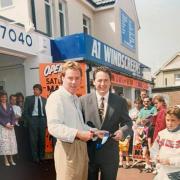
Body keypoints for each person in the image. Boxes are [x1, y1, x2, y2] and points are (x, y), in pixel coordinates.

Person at [46, 61, 104, 180]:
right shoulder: (56, 97)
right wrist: (78, 134)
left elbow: (80, 125)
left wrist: (95, 131)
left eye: (77, 78)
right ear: (62, 77)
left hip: (81, 148)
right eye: (70, 78)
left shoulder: (75, 98)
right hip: (67, 149)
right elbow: (54, 127)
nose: (74, 82)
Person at [80, 66, 133, 180]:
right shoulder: (83, 101)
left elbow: (128, 123)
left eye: (106, 80)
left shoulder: (120, 101)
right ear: (94, 82)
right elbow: (79, 124)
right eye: (99, 80)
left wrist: (122, 131)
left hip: (110, 154)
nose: (102, 84)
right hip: (89, 154)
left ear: (110, 82)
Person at [150, 106, 180, 180]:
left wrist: (170, 161)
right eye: (168, 120)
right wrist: (156, 159)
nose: (169, 123)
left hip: (176, 172)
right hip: (162, 171)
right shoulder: (161, 134)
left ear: (179, 120)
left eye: (173, 120)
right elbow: (154, 149)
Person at [24, 84, 47, 163]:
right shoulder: (28, 99)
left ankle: (42, 157)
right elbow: (25, 112)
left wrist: (46, 122)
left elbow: (47, 112)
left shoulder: (44, 100)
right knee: (34, 140)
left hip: (43, 120)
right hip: (33, 119)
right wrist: (30, 121)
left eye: (37, 89)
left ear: (40, 91)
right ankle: (35, 158)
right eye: (34, 89)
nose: (35, 91)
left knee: (42, 139)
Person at [0, 90, 17, 166]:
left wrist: (13, 124)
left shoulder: (9, 105)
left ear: (6, 97)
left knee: (11, 143)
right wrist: (5, 124)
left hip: (10, 127)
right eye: (2, 97)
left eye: (5, 97)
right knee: (5, 144)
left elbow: (13, 116)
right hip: (3, 127)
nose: (4, 98)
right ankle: (6, 160)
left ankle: (11, 159)